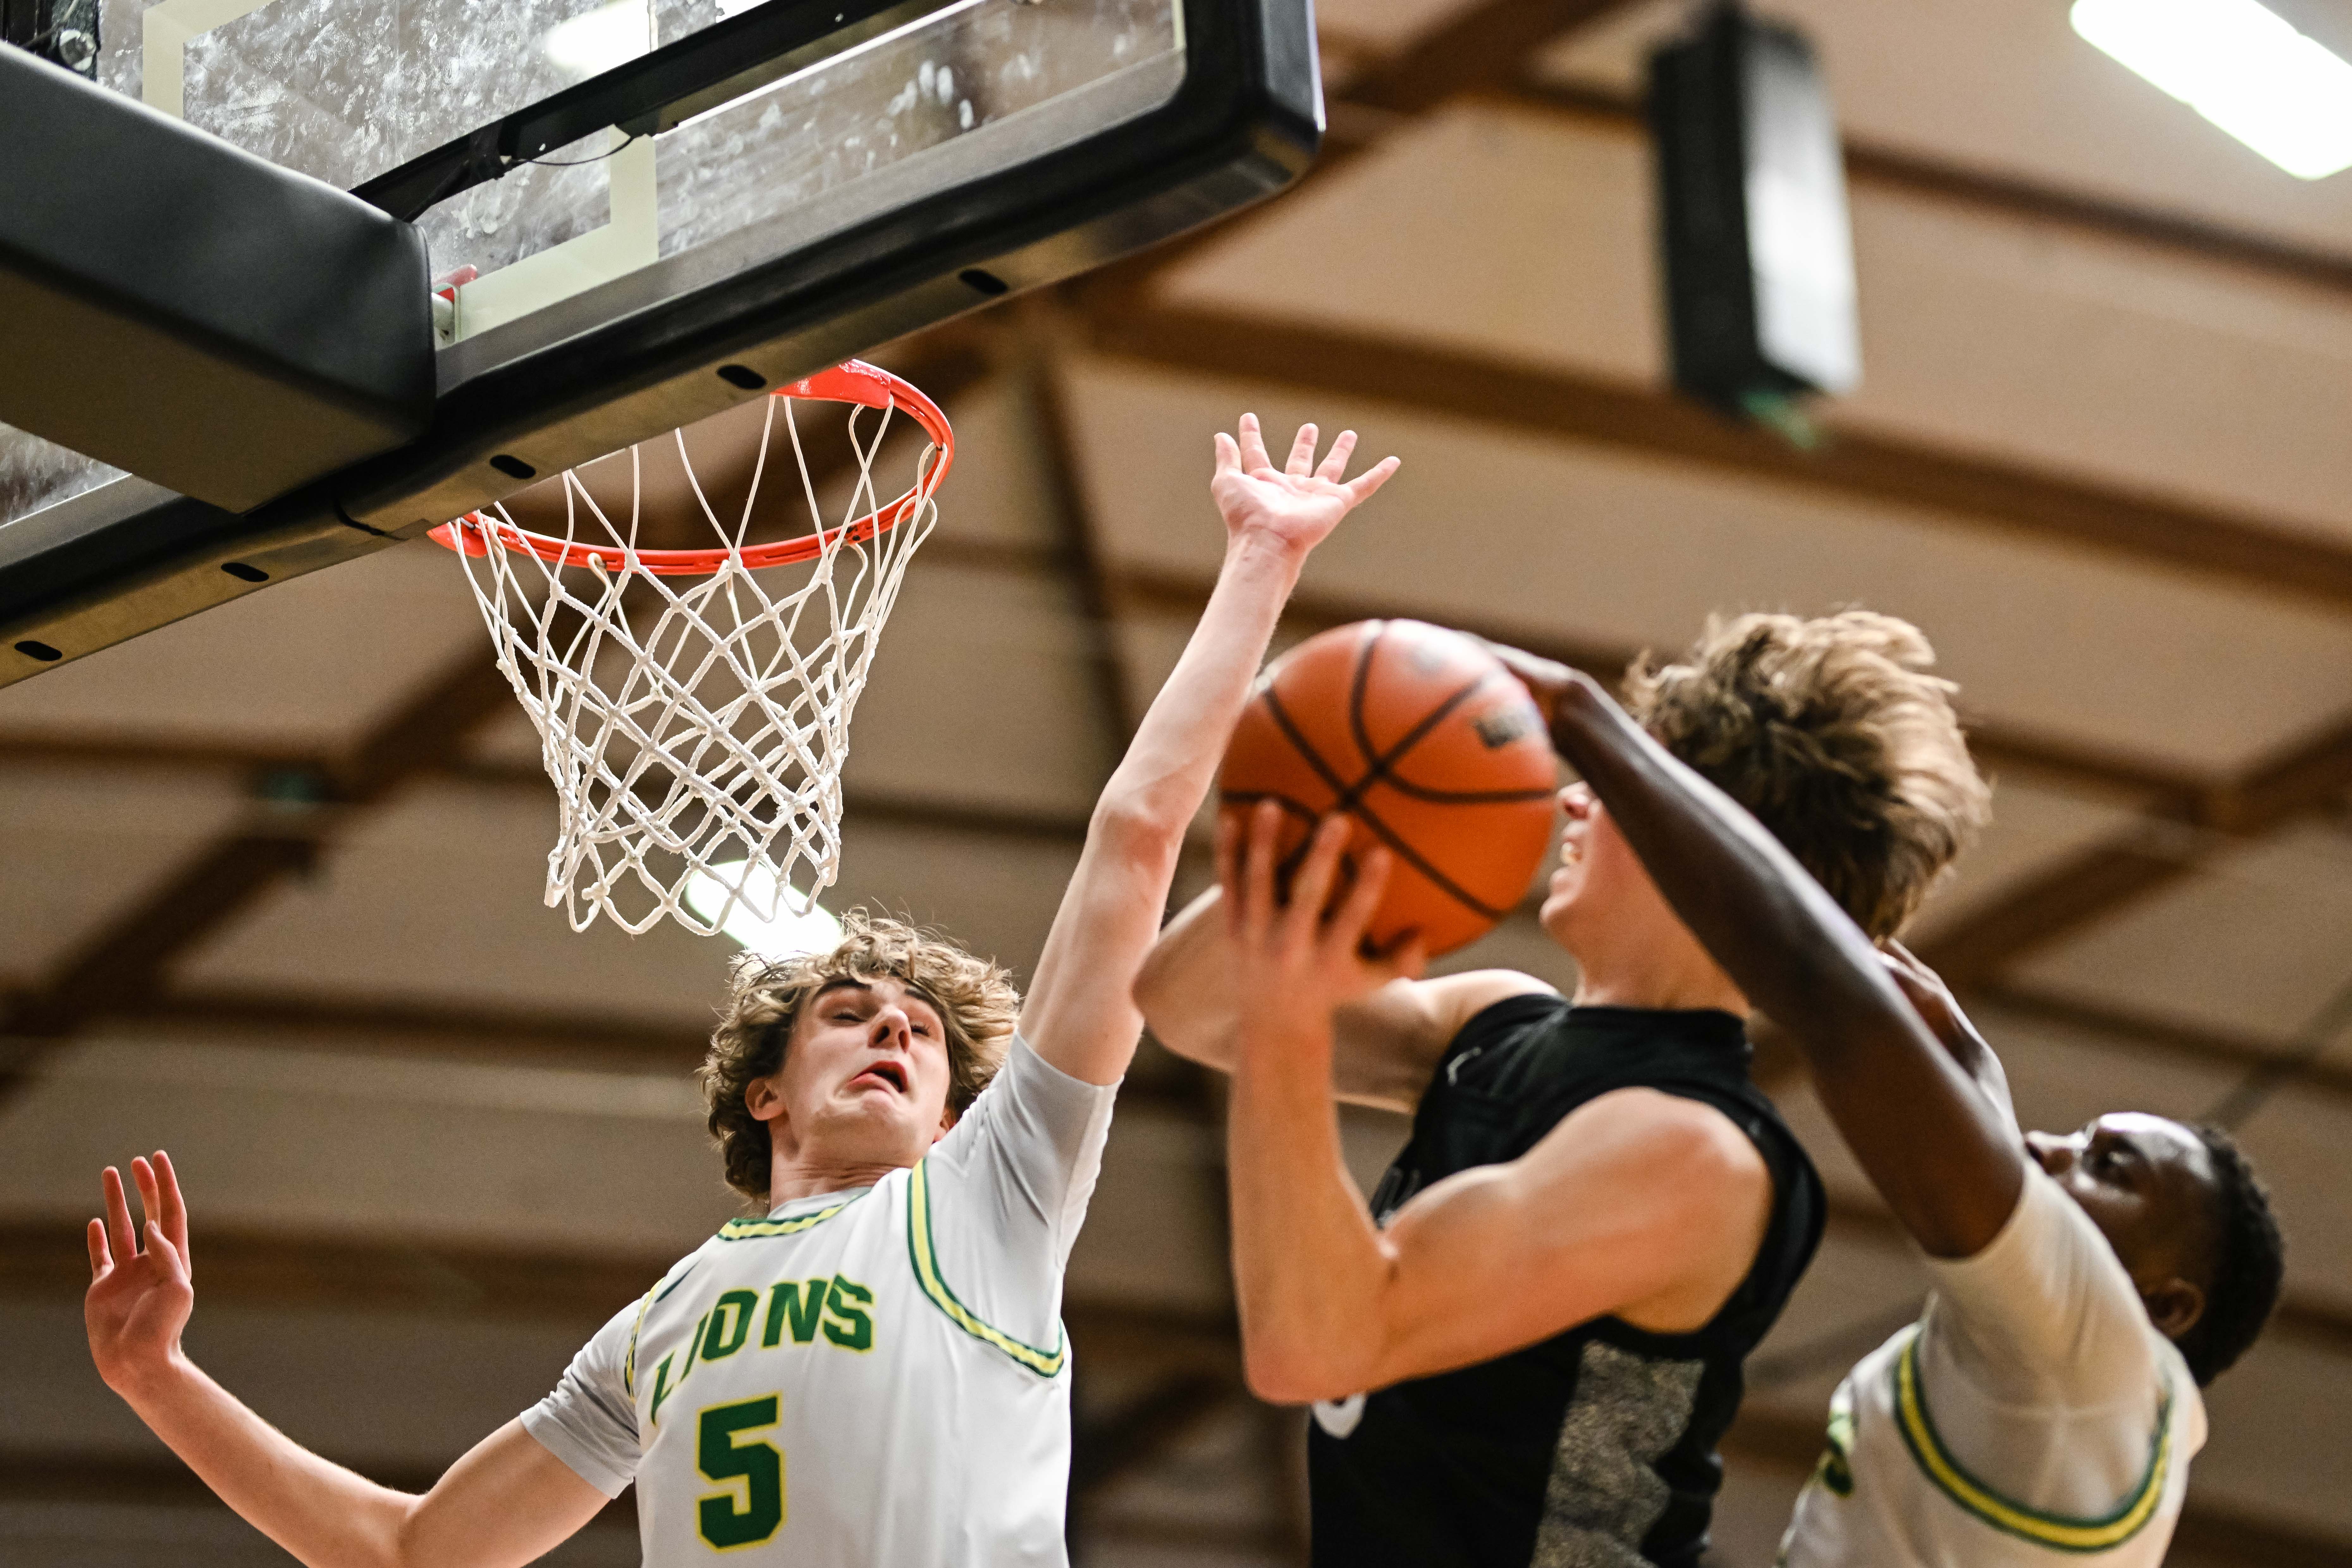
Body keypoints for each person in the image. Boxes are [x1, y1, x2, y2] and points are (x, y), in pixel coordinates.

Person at [78, 413, 1399, 1568]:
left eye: (924, 1034)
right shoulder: (664, 1318)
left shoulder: (992, 1194)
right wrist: (157, 1378)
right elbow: (411, 1547)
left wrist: (1260, 563)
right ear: (767, 1089)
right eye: (851, 1012)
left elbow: (1136, 836)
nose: (893, 1025)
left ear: (953, 1117)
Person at [1138, 611, 1991, 1568]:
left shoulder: (1698, 1158)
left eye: (1625, 784)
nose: (1575, 801)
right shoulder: (1494, 1023)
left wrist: (1294, 1010)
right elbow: (1187, 1006)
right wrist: (1317, 822)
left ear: (1701, 856)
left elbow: (1315, 1342)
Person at [1450, 646, 2288, 1563]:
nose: (2052, 1148)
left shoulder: (2095, 1365)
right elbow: (1958, 1082)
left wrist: (1583, 719)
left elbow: (1839, 1008)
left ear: (2167, 1305)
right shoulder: (2078, 1398)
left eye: (2107, 1167)